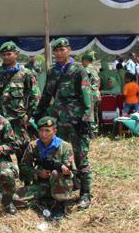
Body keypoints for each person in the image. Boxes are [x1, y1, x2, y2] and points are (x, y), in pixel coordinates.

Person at [34, 38, 92, 210]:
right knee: (59, 157)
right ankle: (61, 191)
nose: (59, 53)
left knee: (81, 157)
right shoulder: (53, 71)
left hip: (76, 121)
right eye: (56, 51)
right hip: (58, 121)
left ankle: (85, 194)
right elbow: (46, 95)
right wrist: (38, 113)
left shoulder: (78, 70)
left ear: (69, 50)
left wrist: (86, 119)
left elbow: (87, 95)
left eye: (62, 50)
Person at [0, 41, 40, 183]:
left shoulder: (26, 74)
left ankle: (27, 181)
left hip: (18, 120)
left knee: (23, 151)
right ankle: (3, 182)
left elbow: (35, 95)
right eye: (3, 54)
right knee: (0, 150)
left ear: (16, 54)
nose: (6, 57)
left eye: (9, 54)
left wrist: (29, 115)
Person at [15, 116, 78, 220]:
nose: (43, 134)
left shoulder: (65, 146)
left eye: (47, 131)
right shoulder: (33, 146)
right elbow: (24, 166)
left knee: (56, 173)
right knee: (15, 198)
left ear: (55, 131)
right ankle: (46, 200)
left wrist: (64, 169)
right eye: (41, 130)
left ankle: (60, 205)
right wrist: (37, 172)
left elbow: (71, 170)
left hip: (60, 185)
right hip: (41, 184)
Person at [81, 53, 101, 131]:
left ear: (85, 61)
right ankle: (96, 130)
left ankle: (91, 132)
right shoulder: (95, 69)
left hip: (90, 95)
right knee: (95, 114)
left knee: (90, 114)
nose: (82, 63)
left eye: (82, 61)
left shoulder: (86, 70)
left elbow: (84, 84)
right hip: (97, 94)